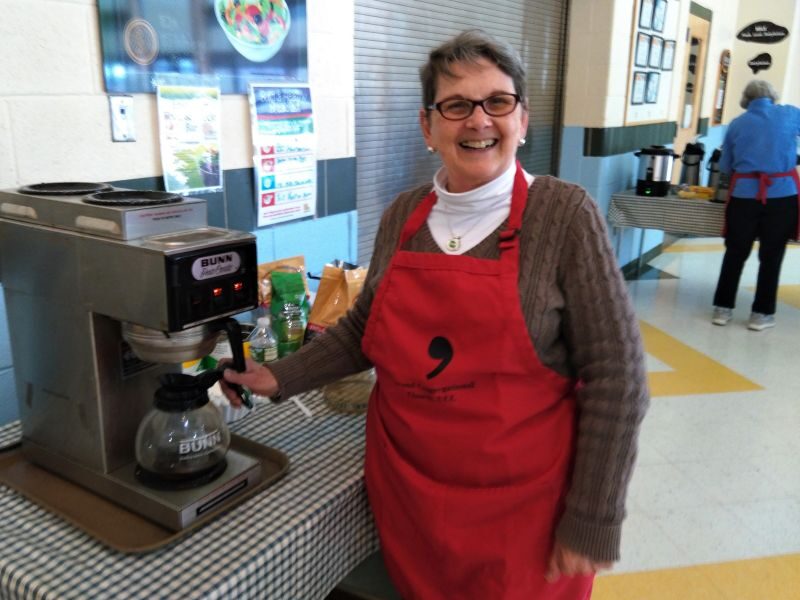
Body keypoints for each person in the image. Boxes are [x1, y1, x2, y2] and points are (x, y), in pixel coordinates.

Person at [222, 29, 649, 599]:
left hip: (525, 513)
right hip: (410, 498)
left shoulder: (564, 215)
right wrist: (279, 376)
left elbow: (618, 377)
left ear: (522, 120)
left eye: (497, 102)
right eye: (456, 105)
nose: (478, 120)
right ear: (428, 127)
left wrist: (593, 515)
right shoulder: (404, 215)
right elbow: (362, 331)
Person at [711, 79, 800, 331]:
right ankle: (760, 315)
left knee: (735, 253)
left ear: (746, 100)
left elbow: (726, 166)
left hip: (744, 196)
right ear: (773, 96)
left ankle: (722, 310)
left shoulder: (737, 124)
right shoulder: (791, 113)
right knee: (771, 256)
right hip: (782, 195)